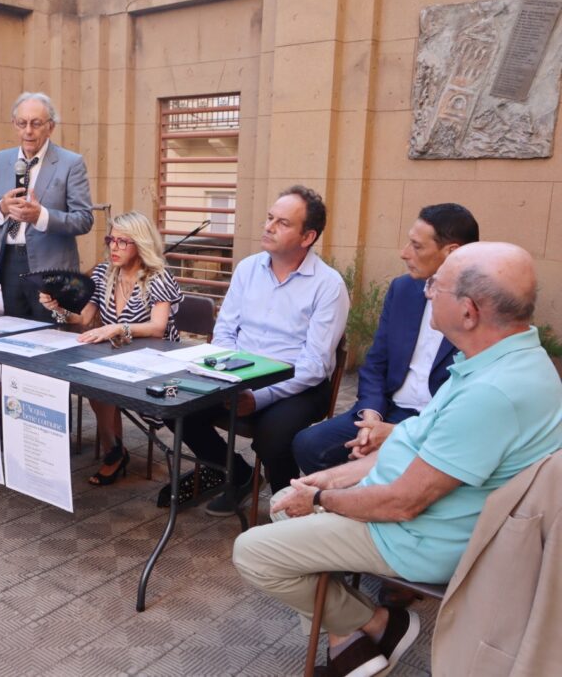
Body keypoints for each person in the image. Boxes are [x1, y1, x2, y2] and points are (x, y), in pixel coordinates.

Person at [232, 242, 562, 677]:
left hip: (419, 537)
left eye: (435, 287)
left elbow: (404, 502)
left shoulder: (491, 393)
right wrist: (330, 479)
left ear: (469, 311)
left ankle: (378, 623)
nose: (425, 292)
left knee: (254, 551)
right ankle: (349, 642)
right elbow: (419, 444)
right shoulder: (506, 362)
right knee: (290, 506)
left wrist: (317, 501)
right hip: (422, 515)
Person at [165, 185, 349, 515]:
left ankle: (287, 506)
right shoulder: (249, 268)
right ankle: (236, 474)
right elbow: (224, 332)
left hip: (297, 383)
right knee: (174, 401)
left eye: (282, 223)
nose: (268, 226)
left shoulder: (328, 284)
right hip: (238, 373)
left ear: (307, 237)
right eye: (269, 218)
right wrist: (225, 377)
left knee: (274, 436)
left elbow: (316, 364)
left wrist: (259, 397)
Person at [292, 203, 479, 474]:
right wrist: (371, 416)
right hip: (387, 408)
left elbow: (468, 406)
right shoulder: (403, 289)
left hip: (437, 423)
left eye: (417, 246)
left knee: (386, 467)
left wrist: (394, 433)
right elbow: (376, 364)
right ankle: (338, 505)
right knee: (309, 444)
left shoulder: (479, 308)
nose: (404, 253)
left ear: (451, 253)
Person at [39, 211, 183, 485]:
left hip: (158, 361)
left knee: (99, 380)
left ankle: (114, 452)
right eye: (111, 240)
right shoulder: (105, 272)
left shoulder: (158, 276)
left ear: (140, 243)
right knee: (92, 380)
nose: (113, 248)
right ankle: (114, 451)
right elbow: (82, 318)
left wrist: (119, 328)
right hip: (117, 355)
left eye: (122, 242)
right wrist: (58, 308)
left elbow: (157, 327)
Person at [0, 91, 93, 319]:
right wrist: (2, 208)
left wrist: (41, 216)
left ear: (50, 127)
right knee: (13, 339)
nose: (28, 131)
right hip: (8, 262)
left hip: (51, 270)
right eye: (22, 123)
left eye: (36, 123)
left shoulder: (71, 163)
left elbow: (84, 219)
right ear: (14, 125)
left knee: (49, 340)